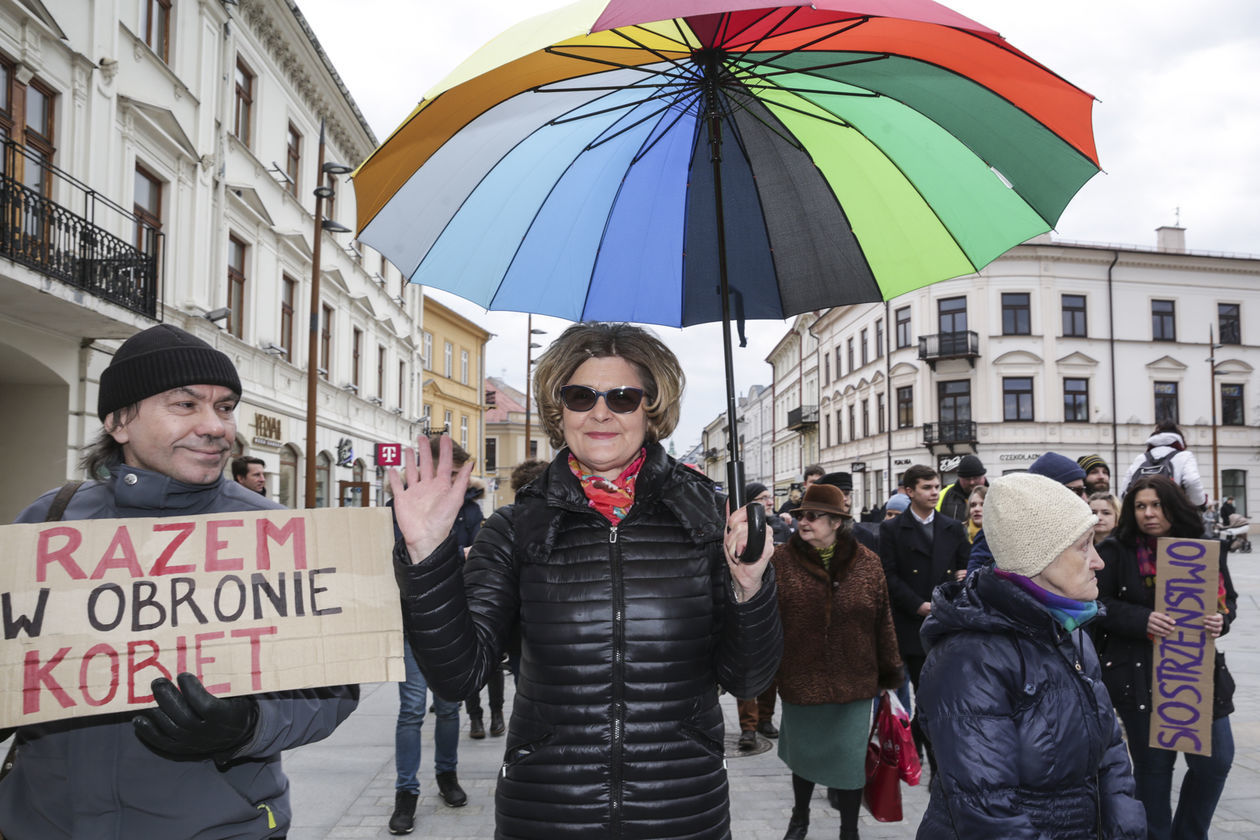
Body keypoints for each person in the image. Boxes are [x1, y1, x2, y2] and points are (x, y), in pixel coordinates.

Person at [387, 322, 782, 839]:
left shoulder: (709, 518)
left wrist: (751, 588)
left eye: (622, 396)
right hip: (547, 810)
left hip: (680, 809)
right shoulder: (515, 526)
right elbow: (459, 677)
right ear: (560, 411)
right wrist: (427, 558)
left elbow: (748, 679)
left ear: (651, 409)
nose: (601, 411)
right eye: (581, 396)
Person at [0, 324, 358, 840]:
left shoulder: (273, 534)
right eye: (186, 405)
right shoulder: (49, 522)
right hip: (41, 825)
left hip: (218, 827)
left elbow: (334, 690)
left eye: (226, 406)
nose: (216, 426)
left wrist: (245, 725)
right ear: (119, 421)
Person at [915, 473, 1145, 840]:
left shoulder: (1069, 628)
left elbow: (1109, 751)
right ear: (1039, 557)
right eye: (1084, 546)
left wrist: (1124, 829)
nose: (1098, 561)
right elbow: (988, 812)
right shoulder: (970, 659)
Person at [1094, 475, 1237, 840]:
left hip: (1197, 673)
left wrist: (1222, 619)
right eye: (1141, 506)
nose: (1149, 514)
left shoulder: (1204, 547)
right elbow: (1097, 605)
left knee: (1215, 762)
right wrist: (1141, 619)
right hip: (1139, 677)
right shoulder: (1115, 550)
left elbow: (1228, 601)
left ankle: (1188, 834)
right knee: (1154, 772)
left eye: (1157, 505)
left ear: (1173, 507)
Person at [775, 484, 902, 840]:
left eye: (813, 516)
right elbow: (767, 621)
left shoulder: (868, 562)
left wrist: (889, 670)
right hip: (802, 674)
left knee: (848, 762)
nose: (804, 521)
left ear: (835, 522)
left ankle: (849, 831)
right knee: (804, 755)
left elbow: (883, 619)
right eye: (801, 515)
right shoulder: (781, 560)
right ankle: (800, 817)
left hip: (855, 677)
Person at [388, 436, 473, 836]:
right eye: (449, 473)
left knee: (450, 708)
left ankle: (447, 775)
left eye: (457, 475)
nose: (452, 482)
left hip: (454, 619)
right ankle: (406, 791)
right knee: (411, 710)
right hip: (410, 620)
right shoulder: (400, 507)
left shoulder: (469, 511)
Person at [879, 464, 969, 762]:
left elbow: (963, 569)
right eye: (927, 488)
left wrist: (960, 581)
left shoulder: (952, 527)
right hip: (908, 621)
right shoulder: (892, 528)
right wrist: (918, 604)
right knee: (907, 690)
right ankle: (908, 748)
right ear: (909, 491)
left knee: (933, 695)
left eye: (936, 487)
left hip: (941, 620)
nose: (934, 492)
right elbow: (889, 575)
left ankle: (934, 757)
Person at [966, 451, 1090, 576]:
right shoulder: (1001, 532)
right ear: (1051, 493)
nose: (1085, 499)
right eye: (1078, 491)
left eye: (1084, 490)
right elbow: (974, 581)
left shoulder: (1076, 530)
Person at [736, 482, 790, 749]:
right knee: (747, 666)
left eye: (769, 497)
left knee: (772, 667)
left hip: (775, 601)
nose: (769, 502)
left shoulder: (780, 526)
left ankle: (765, 719)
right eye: (762, 498)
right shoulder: (737, 529)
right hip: (746, 601)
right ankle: (748, 727)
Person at [1118, 420, 1207, 506]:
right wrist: (1200, 503)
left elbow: (1123, 492)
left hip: (1142, 515)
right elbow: (1191, 481)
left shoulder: (1141, 458)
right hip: (1171, 515)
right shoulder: (1185, 456)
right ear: (1180, 440)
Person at [818, 471, 878, 553]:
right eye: (838, 494)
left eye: (846, 494)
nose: (844, 499)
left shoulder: (864, 536)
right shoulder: (812, 535)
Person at [936, 454, 987, 521]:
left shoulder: (995, 495)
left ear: (983, 477)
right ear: (959, 478)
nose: (972, 482)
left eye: (976, 478)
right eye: (967, 479)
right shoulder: (942, 496)